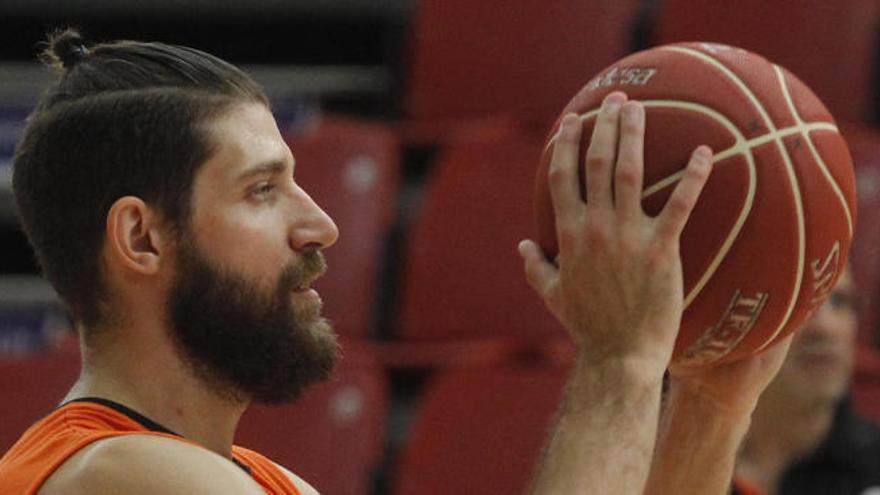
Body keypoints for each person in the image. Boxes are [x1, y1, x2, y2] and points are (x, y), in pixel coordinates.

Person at [0, 29, 793, 494]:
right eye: (263, 189)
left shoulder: (256, 478)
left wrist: (707, 408)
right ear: (141, 238)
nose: (322, 225)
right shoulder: (116, 474)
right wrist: (620, 361)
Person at [733, 269, 880, 495]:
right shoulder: (678, 454)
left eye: (840, 301)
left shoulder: (872, 468)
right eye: (799, 304)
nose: (825, 328)